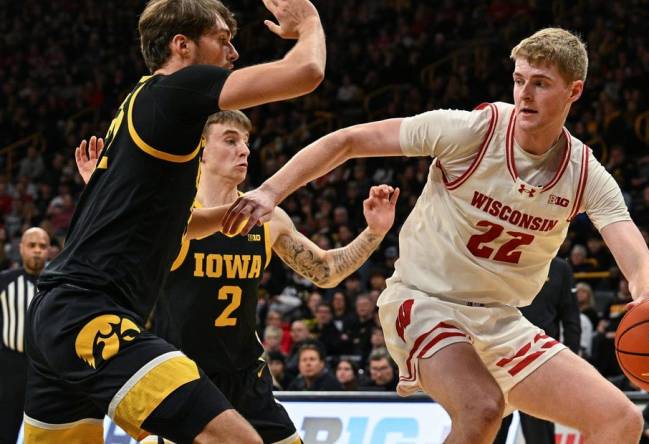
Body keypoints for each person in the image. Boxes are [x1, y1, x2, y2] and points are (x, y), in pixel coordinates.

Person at [223, 27, 649, 443]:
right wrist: (268, 191)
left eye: (540, 83)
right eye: (518, 80)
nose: (525, 94)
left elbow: (631, 252)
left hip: (502, 321)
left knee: (619, 420)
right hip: (424, 301)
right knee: (481, 408)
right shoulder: (472, 131)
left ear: (574, 91)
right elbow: (348, 141)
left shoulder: (584, 173)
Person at [24, 0, 326, 442]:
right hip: (89, 314)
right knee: (237, 440)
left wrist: (233, 212)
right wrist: (310, 23)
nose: (233, 53)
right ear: (181, 45)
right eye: (223, 40)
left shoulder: (145, 106)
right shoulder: (176, 91)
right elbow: (306, 73)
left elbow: (177, 223)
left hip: (60, 317)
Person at [76, 109, 397, 443]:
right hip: (185, 377)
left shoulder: (267, 218)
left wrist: (374, 233)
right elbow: (112, 252)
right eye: (230, 140)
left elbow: (326, 272)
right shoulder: (171, 216)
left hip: (246, 378)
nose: (244, 149)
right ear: (200, 150)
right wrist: (104, 198)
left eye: (246, 141)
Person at [493, 257, 580, 444]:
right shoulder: (500, 259)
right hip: (498, 358)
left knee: (539, 435)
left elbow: (571, 319)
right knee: (491, 432)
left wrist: (571, 365)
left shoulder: (560, 268)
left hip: (540, 362)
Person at [0, 227, 49, 442]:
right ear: (21, 249)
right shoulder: (4, 281)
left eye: (42, 246)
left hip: (46, 370)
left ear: (50, 250)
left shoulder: (59, 283)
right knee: (6, 427)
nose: (37, 250)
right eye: (32, 245)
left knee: (46, 431)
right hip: (10, 366)